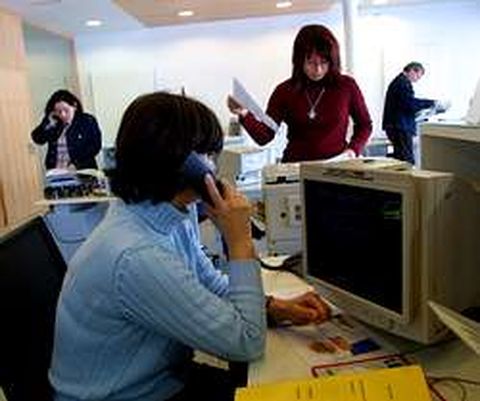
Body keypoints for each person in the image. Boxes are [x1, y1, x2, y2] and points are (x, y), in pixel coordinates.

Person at [49, 92, 330, 401]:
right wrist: (239, 240)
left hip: (163, 378)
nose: (213, 166)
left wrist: (274, 307)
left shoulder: (164, 214)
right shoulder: (136, 255)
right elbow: (246, 342)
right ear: (178, 161)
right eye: (207, 154)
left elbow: (209, 284)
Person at [227, 24, 372, 162]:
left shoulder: (346, 86)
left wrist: (353, 150)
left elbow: (365, 125)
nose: (318, 69)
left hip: (335, 167)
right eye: (311, 62)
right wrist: (244, 114)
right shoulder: (284, 91)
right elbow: (265, 136)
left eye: (324, 62)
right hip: (295, 168)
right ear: (299, 60)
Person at [31, 89, 102, 170]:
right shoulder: (55, 124)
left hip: (81, 171)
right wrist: (47, 122)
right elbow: (37, 139)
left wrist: (77, 165)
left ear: (74, 106)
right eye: (58, 111)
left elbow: (95, 146)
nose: (63, 115)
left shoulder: (87, 121)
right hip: (57, 171)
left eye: (66, 110)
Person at [382, 62, 437, 164]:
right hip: (400, 126)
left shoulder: (399, 81)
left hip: (395, 125)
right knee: (407, 160)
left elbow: (403, 104)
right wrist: (430, 103)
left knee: (400, 158)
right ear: (412, 71)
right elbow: (409, 104)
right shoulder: (403, 83)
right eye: (418, 76)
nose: (417, 80)